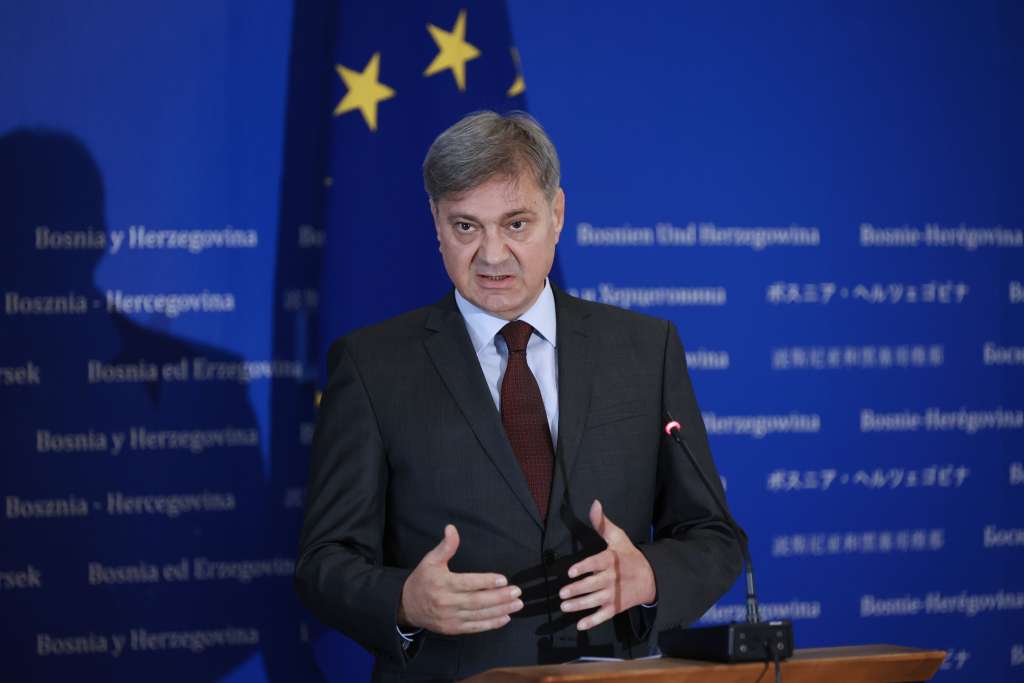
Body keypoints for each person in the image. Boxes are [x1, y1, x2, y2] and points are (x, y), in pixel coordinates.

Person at [295, 111, 742, 681]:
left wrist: (650, 577)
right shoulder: (372, 365)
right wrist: (404, 600)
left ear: (557, 214)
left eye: (516, 224)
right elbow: (324, 563)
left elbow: (713, 537)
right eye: (466, 226)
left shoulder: (644, 349)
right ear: (436, 222)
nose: (492, 255)